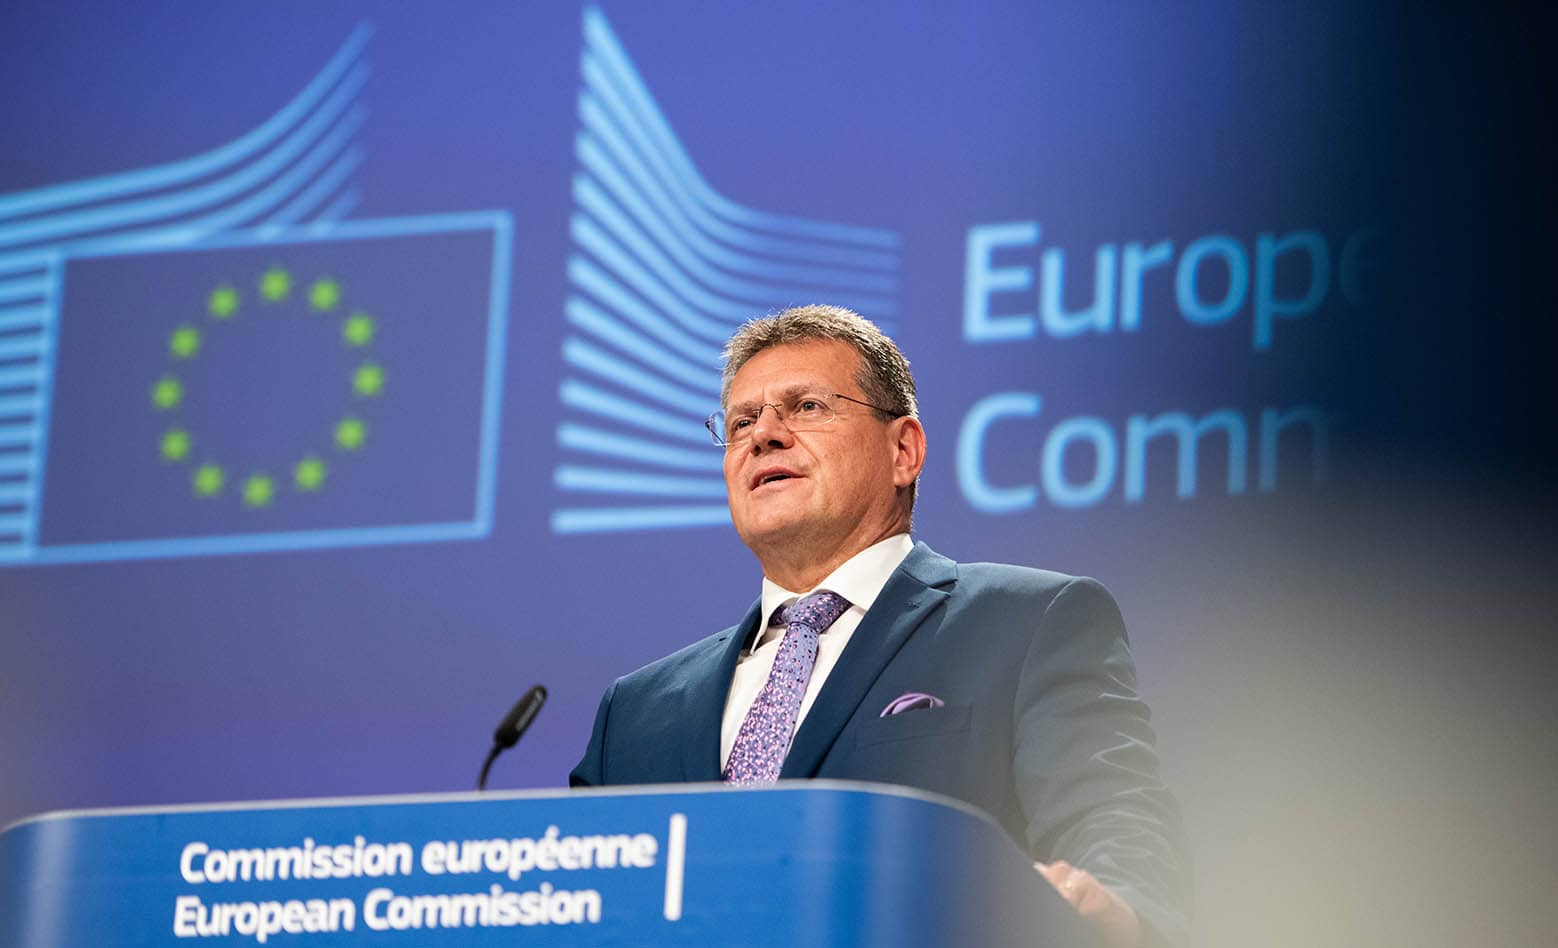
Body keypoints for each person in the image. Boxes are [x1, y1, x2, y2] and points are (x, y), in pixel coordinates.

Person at [571, 305, 1190, 948]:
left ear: (904, 450)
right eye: (742, 422)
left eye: (807, 406)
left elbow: (1114, 817)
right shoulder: (634, 713)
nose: (764, 436)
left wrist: (1118, 907)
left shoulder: (1027, 623)